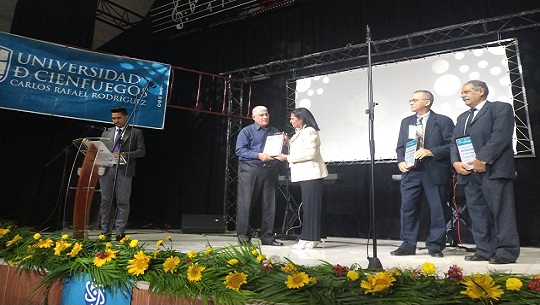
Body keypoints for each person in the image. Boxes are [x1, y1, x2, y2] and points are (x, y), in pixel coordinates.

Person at [450, 80, 520, 264]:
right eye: (461, 93)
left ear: (481, 91)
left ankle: (506, 252)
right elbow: (454, 142)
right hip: (469, 173)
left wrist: (483, 159)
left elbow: (500, 136)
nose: (463, 95)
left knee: (501, 212)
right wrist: (455, 162)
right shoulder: (462, 117)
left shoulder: (500, 108)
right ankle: (484, 250)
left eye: (466, 91)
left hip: (494, 170)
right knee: (478, 213)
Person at [392, 90, 455, 257]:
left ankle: (435, 246)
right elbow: (400, 147)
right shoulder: (406, 122)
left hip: (434, 170)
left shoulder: (442, 121)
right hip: (411, 172)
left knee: (438, 209)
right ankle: (407, 245)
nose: (410, 103)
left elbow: (451, 145)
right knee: (407, 208)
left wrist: (431, 151)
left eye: (414, 100)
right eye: (410, 100)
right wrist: (400, 161)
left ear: (427, 102)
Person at [275, 107, 328, 249]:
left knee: (312, 206)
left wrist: (287, 157)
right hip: (305, 174)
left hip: (312, 174)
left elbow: (310, 154)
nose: (290, 121)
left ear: (301, 119)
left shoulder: (310, 131)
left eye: (293, 118)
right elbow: (299, 148)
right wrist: (287, 142)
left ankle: (311, 238)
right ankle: (308, 237)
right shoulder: (300, 132)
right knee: (309, 206)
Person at [235, 105, 284, 246]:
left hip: (270, 170)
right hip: (251, 170)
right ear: (254, 117)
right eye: (261, 115)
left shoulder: (275, 131)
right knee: (246, 203)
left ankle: (267, 237)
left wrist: (283, 142)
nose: (265, 117)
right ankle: (244, 238)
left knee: (270, 205)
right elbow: (240, 151)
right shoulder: (246, 131)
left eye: (266, 114)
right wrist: (258, 155)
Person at [99, 106, 146, 241]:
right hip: (107, 169)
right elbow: (101, 148)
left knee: (122, 202)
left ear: (126, 117)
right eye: (113, 118)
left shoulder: (136, 133)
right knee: (105, 201)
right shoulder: (107, 132)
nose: (116, 121)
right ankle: (105, 231)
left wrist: (125, 153)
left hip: (124, 170)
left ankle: (120, 231)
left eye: (119, 118)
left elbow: (141, 151)